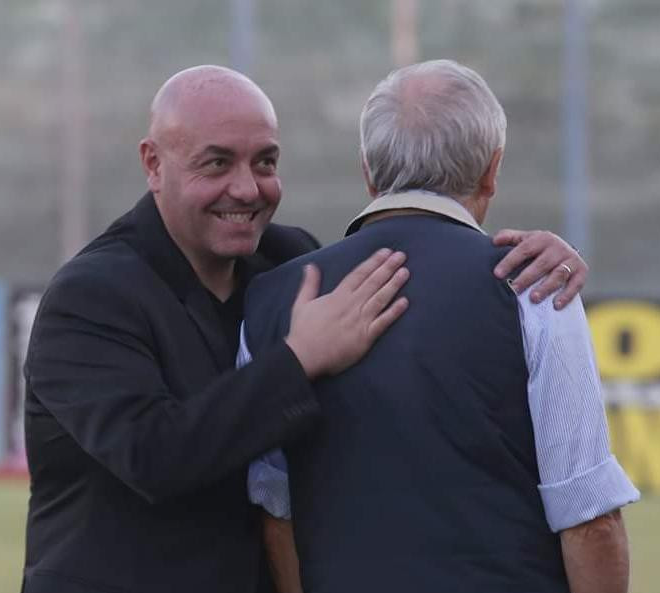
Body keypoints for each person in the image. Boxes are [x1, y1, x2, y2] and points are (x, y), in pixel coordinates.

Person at [21, 65, 588, 593]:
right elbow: (154, 456)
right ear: (153, 163)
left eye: (265, 163)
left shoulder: (290, 262)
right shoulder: (89, 297)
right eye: (216, 163)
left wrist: (536, 259)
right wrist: (298, 359)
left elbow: (421, 277)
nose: (247, 189)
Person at [243, 60, 638, 593]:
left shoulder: (269, 301)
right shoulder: (537, 289)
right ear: (492, 169)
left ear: (368, 171)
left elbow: (275, 513)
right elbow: (590, 519)